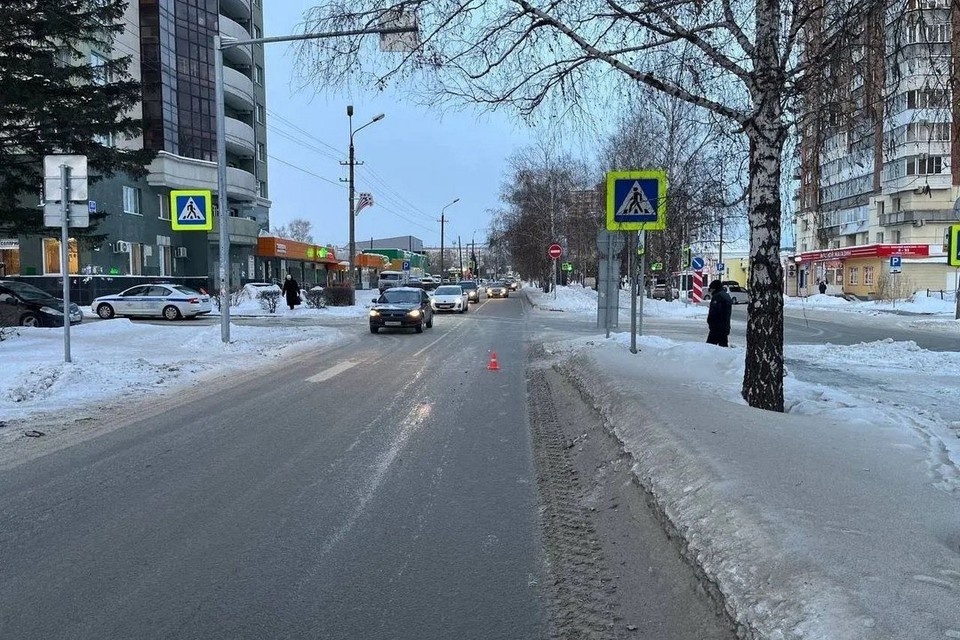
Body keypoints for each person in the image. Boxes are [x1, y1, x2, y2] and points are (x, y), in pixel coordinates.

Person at [706, 279, 732, 347]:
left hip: (716, 328)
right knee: (723, 346)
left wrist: (710, 322)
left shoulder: (717, 297)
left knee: (709, 348)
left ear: (714, 288)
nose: (710, 291)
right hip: (725, 326)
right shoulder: (726, 295)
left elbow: (714, 312)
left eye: (711, 288)